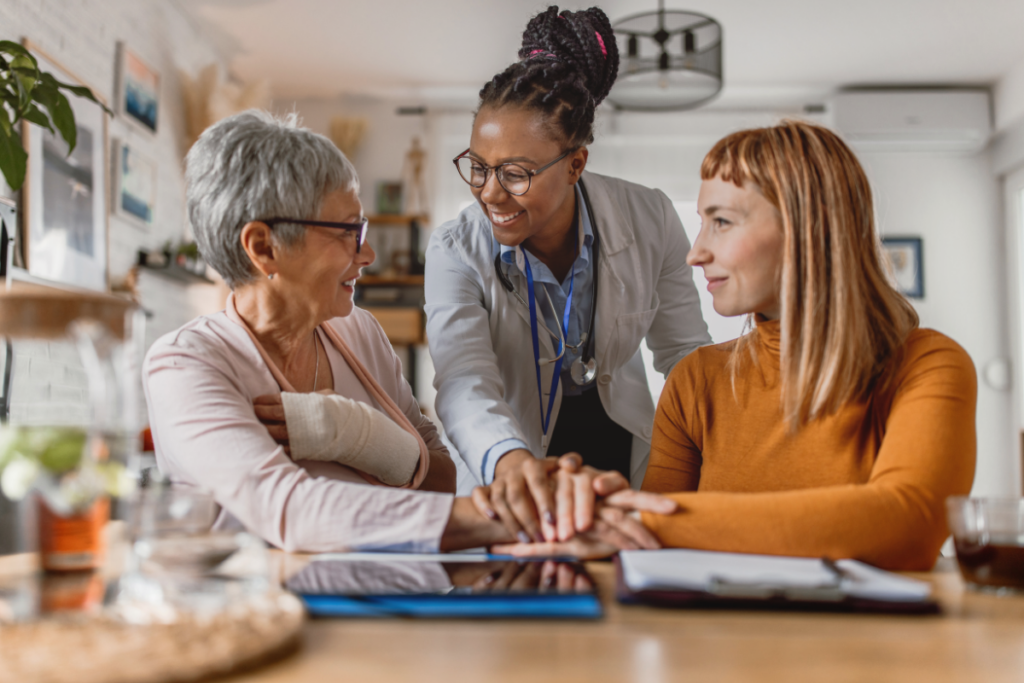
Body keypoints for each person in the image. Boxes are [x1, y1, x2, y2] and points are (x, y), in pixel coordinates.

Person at [144, 110, 674, 554]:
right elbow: (291, 511)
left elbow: (441, 477)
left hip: (392, 605)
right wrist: (527, 520)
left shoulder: (358, 332)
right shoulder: (186, 367)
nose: (368, 254)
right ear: (263, 248)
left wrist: (370, 442)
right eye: (348, 233)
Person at [630, 121, 976, 571]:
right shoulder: (695, 381)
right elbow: (648, 542)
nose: (696, 253)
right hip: (719, 639)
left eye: (721, 222)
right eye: (702, 224)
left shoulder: (927, 365)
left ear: (806, 228)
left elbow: (908, 527)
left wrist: (644, 518)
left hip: (875, 643)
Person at [425, 6, 711, 546]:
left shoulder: (648, 217)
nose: (489, 192)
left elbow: (687, 358)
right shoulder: (454, 249)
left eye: (515, 173)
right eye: (479, 167)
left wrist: (715, 461)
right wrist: (509, 464)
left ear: (575, 164)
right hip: (510, 462)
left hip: (618, 453)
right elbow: (465, 381)